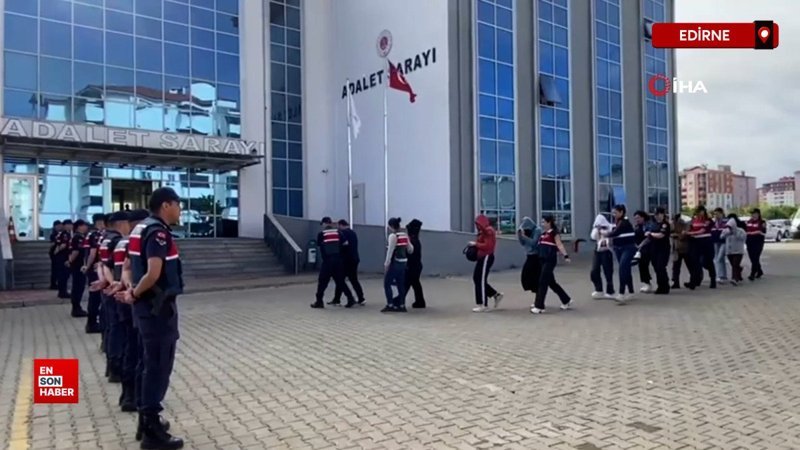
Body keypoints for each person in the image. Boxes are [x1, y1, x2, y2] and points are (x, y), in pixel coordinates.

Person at [115, 189, 184, 449]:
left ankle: (146, 421)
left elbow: (127, 266)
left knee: (148, 363)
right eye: (177, 205)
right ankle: (152, 431)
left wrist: (130, 290)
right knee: (158, 367)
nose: (179, 210)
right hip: (157, 310)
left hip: (146, 309)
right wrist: (134, 292)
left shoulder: (140, 229)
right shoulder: (157, 233)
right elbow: (154, 273)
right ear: (166, 205)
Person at [90, 212, 129, 383]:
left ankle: (111, 366)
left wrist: (104, 280)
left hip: (108, 288)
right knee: (118, 329)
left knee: (111, 326)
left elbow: (102, 264)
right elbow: (109, 265)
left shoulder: (105, 238)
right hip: (115, 289)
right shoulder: (117, 241)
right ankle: (116, 368)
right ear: (121, 223)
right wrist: (113, 283)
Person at [531, 215, 572, 314]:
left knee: (542, 282)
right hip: (542, 260)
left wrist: (566, 256)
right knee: (551, 283)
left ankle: (539, 306)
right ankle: (566, 300)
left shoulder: (554, 233)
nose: (542, 224)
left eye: (544, 222)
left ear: (549, 222)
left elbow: (559, 244)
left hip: (550, 260)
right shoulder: (543, 234)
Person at [310, 217, 354, 309]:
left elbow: (319, 244)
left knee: (322, 281)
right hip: (338, 260)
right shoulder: (338, 232)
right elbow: (345, 243)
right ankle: (350, 299)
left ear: (325, 223)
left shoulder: (321, 234)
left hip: (327, 261)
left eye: (322, 224)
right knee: (340, 281)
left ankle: (319, 301)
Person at [603, 205, 636, 304]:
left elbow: (615, 233)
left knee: (622, 268)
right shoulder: (616, 222)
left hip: (628, 248)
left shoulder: (624, 222)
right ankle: (631, 292)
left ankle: (621, 294)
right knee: (626, 269)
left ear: (621, 212)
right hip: (618, 248)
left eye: (615, 212)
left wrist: (604, 233)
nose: (613, 214)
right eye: (613, 212)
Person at [469, 215, 502, 313]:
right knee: (477, 278)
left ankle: (483, 304)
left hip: (486, 257)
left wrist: (475, 244)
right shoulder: (483, 232)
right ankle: (495, 295)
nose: (477, 226)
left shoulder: (489, 231)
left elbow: (488, 246)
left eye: (478, 224)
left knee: (481, 280)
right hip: (482, 258)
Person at [381, 217, 414, 313]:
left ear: (391, 226)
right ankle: (402, 305)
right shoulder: (404, 235)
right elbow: (411, 249)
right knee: (400, 284)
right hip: (403, 262)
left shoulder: (393, 236)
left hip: (395, 262)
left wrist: (386, 264)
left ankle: (390, 304)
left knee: (387, 283)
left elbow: (390, 251)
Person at [330, 219, 365, 306]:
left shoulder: (343, 233)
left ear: (341, 225)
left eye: (338, 226)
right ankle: (361, 298)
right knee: (353, 280)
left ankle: (338, 299)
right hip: (354, 259)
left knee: (340, 279)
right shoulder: (353, 233)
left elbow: (342, 246)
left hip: (346, 260)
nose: (338, 228)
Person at [83, 213, 107, 334]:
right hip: (96, 269)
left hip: (93, 269)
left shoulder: (90, 234)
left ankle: (92, 322)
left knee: (94, 297)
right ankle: (92, 324)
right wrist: (88, 266)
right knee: (96, 297)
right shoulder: (97, 235)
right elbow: (92, 253)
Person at [686, 206, 716, 290]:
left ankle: (713, 280)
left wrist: (689, 233)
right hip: (696, 242)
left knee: (709, 262)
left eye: (701, 211)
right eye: (698, 211)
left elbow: (702, 231)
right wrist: (689, 232)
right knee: (694, 262)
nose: (700, 213)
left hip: (706, 242)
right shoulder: (694, 220)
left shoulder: (708, 220)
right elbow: (690, 228)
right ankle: (693, 282)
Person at [67, 220, 90, 317]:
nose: (86, 227)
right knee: (78, 287)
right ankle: (76, 308)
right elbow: (75, 251)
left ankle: (77, 307)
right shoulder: (78, 237)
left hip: (78, 265)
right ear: (79, 226)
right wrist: (70, 261)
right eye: (84, 225)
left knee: (78, 287)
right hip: (78, 265)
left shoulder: (77, 236)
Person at [646, 207, 671, 295]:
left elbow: (661, 235)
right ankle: (660, 286)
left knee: (661, 267)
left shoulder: (665, 224)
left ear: (663, 214)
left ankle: (665, 286)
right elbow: (648, 236)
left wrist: (651, 234)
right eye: (655, 214)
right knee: (656, 267)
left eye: (658, 214)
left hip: (663, 248)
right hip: (654, 248)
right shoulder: (653, 224)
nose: (656, 216)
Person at [518, 216, 542, 304]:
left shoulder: (537, 230)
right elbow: (522, 243)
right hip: (529, 256)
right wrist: (520, 235)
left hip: (536, 256)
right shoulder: (526, 231)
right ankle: (538, 300)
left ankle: (538, 301)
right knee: (527, 276)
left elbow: (533, 243)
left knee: (537, 279)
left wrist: (524, 236)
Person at [589, 214, 615, 299]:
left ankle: (610, 291)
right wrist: (598, 230)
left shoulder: (610, 227)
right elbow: (593, 237)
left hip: (607, 251)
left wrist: (605, 231)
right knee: (594, 270)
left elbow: (612, 235)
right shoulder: (596, 229)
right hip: (598, 250)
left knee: (608, 271)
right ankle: (598, 289)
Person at [633, 211, 656, 293]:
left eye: (638, 218)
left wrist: (641, 245)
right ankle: (647, 283)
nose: (637, 219)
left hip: (649, 248)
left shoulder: (648, 225)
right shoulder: (636, 226)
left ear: (643, 217)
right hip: (640, 249)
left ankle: (659, 283)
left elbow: (649, 237)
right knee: (642, 266)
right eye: (635, 218)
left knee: (651, 265)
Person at [405, 219, 426, 309]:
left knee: (407, 283)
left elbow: (410, 254)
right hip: (416, 266)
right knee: (415, 284)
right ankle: (420, 301)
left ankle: (399, 300)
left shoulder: (413, 241)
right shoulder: (415, 239)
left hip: (413, 266)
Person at [722, 214, 746, 285]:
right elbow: (721, 236)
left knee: (735, 264)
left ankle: (734, 279)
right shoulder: (727, 230)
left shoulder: (740, 230)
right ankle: (739, 272)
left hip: (738, 251)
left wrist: (735, 232)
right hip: (729, 251)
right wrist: (725, 233)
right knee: (734, 265)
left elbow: (743, 238)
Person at [745, 208, 767, 280]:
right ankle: (759, 271)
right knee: (752, 258)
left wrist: (753, 233)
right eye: (752, 214)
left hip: (758, 242)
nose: (753, 215)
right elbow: (745, 231)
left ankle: (752, 273)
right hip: (749, 242)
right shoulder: (748, 222)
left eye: (755, 214)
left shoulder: (762, 222)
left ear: (758, 214)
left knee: (755, 257)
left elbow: (763, 232)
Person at [55, 219, 73, 299]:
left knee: (63, 275)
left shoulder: (62, 233)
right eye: (69, 225)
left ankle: (62, 291)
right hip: (63, 256)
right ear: (65, 225)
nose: (71, 226)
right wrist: (58, 251)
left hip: (61, 256)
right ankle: (63, 292)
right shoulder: (65, 234)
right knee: (64, 275)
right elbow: (63, 245)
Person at [670, 214, 689, 289]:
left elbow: (683, 236)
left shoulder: (685, 225)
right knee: (676, 267)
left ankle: (693, 281)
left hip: (685, 248)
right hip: (676, 248)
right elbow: (671, 233)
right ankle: (676, 282)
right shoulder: (673, 225)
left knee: (690, 266)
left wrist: (677, 235)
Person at [711, 207, 728, 284]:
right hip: (715, 242)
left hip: (724, 242)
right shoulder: (713, 222)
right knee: (720, 259)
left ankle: (719, 276)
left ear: (722, 214)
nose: (716, 216)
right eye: (715, 214)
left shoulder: (726, 222)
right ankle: (723, 275)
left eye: (717, 214)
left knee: (719, 258)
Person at [49, 220, 63, 290]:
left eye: (60, 226)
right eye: (57, 226)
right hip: (54, 252)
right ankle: (53, 284)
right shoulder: (53, 235)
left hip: (59, 252)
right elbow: (53, 243)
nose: (59, 227)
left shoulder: (62, 233)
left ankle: (56, 283)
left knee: (58, 269)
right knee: (54, 269)